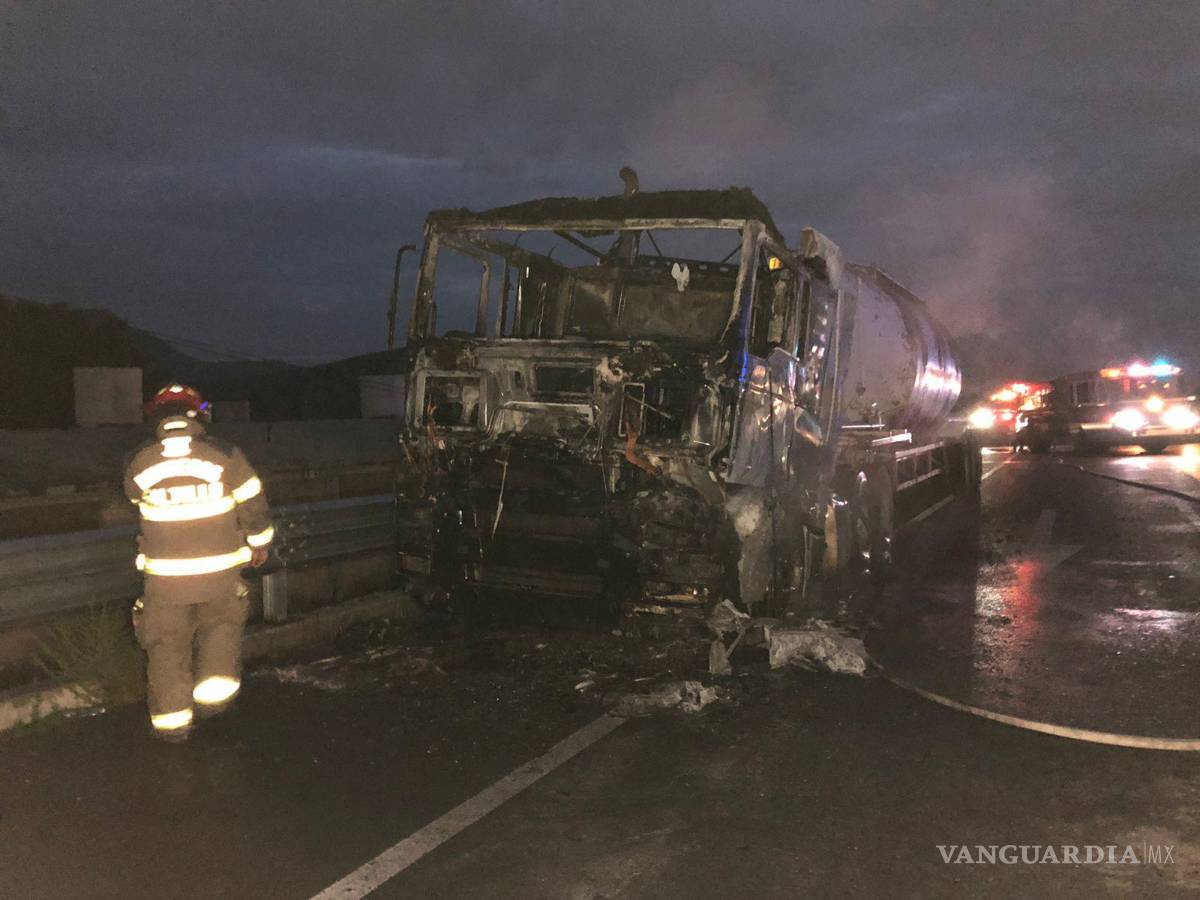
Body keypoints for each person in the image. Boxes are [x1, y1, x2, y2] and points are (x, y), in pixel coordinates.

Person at [123, 384, 273, 742]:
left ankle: (172, 727)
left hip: (165, 582)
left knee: (166, 646)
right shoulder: (225, 455)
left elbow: (133, 497)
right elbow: (253, 504)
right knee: (220, 635)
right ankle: (214, 708)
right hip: (220, 576)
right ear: (200, 415)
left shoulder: (138, 460)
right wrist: (259, 544)